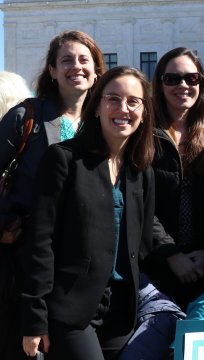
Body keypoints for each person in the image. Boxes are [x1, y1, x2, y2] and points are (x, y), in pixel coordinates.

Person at [20, 66, 157, 359]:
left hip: (122, 312)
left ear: (144, 112)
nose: (123, 108)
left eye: (133, 101)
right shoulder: (64, 160)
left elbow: (144, 244)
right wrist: (34, 317)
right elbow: (40, 243)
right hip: (71, 310)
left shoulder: (141, 171)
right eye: (113, 99)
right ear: (96, 107)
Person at [0, 30, 104, 360]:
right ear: (52, 70)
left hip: (80, 267)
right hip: (26, 263)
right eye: (66, 60)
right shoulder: (25, 116)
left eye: (84, 59)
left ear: (97, 70)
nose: (76, 66)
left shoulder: (105, 122)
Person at [144, 47, 204, 310]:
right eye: (172, 79)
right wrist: (171, 254)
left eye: (191, 78)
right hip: (155, 266)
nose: (182, 85)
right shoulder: (142, 136)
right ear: (160, 84)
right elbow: (138, 202)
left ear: (201, 83)